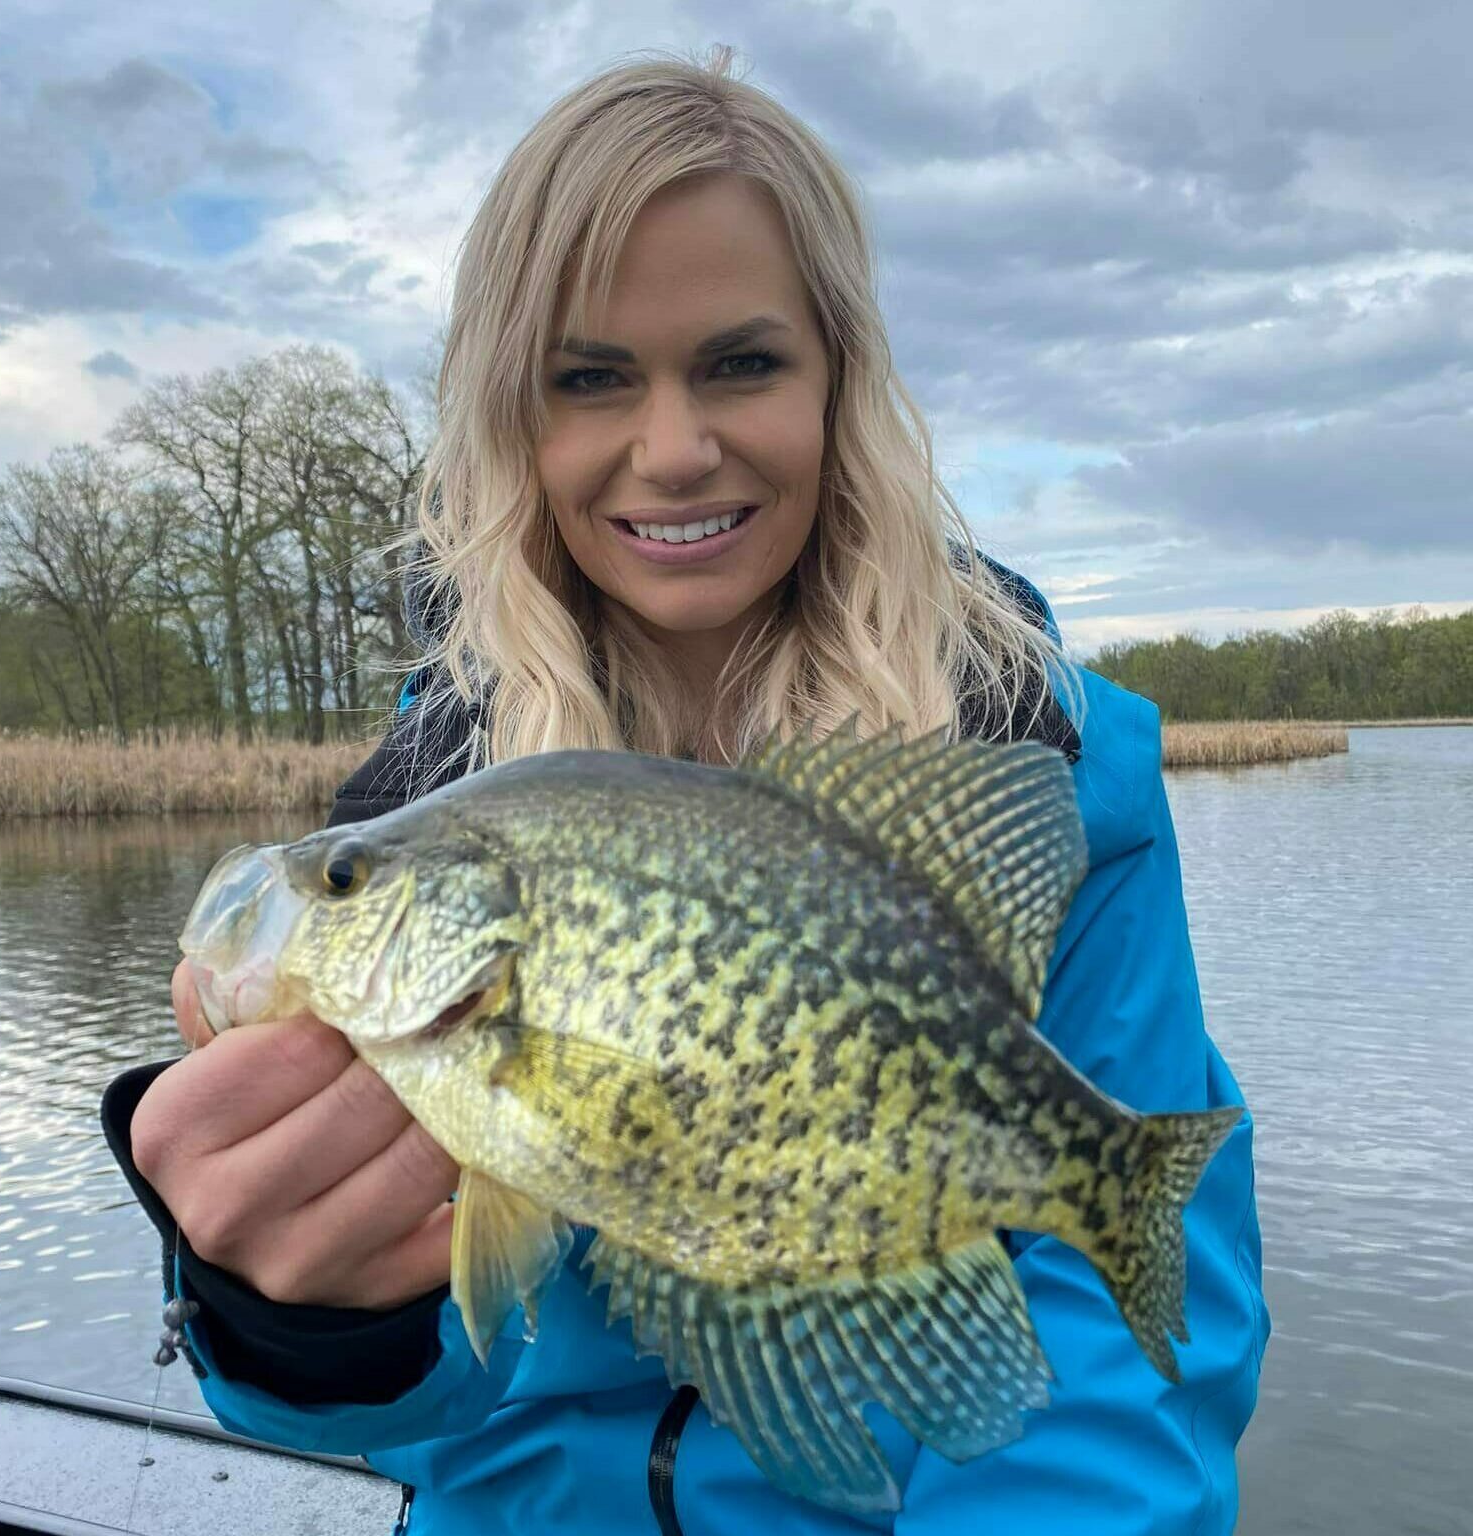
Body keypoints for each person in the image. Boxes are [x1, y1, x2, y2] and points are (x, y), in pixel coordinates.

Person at [101, 46, 1268, 1536]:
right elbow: (431, 1412)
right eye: (590, 379)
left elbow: (1116, 1406)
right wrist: (292, 1314)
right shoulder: (432, 799)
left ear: (841, 379)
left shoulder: (1040, 764)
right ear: (511, 419)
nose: (672, 447)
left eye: (741, 363)